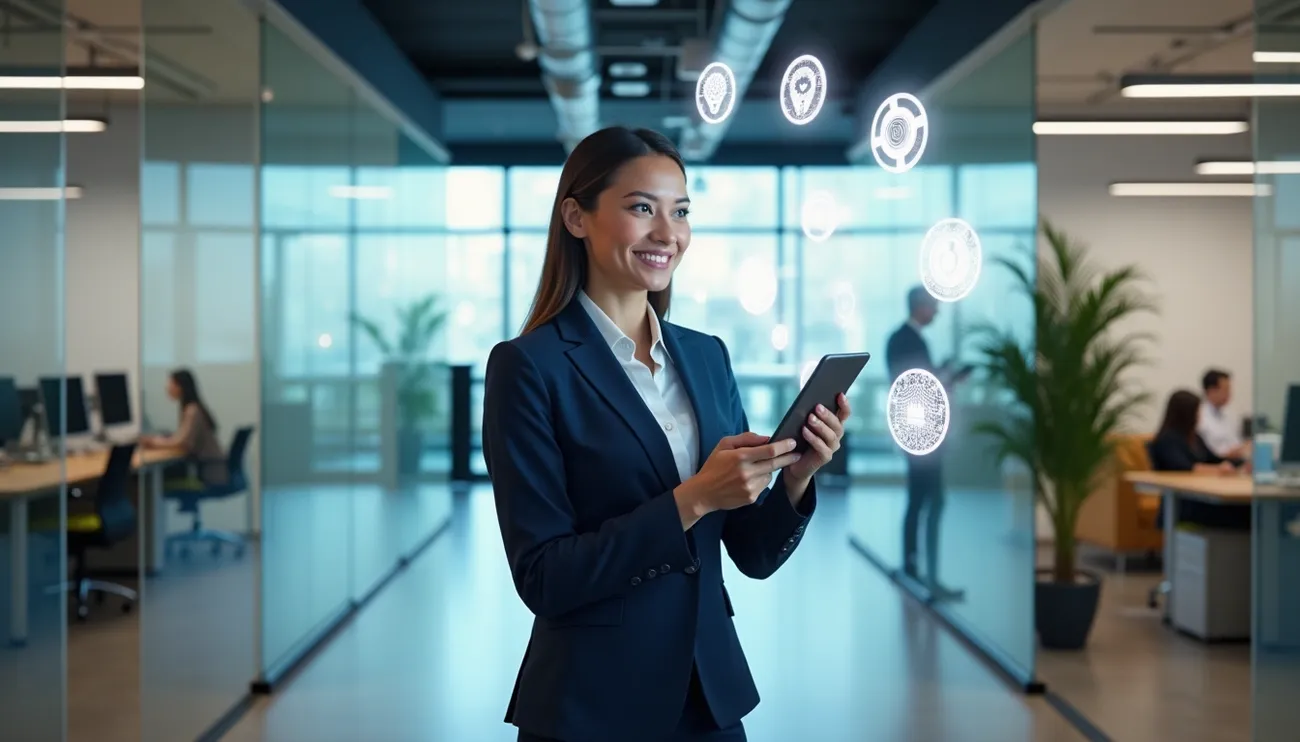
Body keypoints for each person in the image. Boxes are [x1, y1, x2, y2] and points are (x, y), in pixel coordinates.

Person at [481, 127, 850, 742]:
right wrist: (694, 497)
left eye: (680, 211)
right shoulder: (529, 367)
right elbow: (544, 576)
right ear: (576, 216)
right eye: (640, 208)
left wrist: (798, 472)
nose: (667, 233)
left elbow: (752, 555)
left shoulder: (707, 358)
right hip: (591, 706)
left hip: (709, 697)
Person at [884, 286, 968, 601]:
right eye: (933, 306)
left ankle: (916, 567)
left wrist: (941, 376)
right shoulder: (909, 341)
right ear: (919, 306)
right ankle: (924, 574)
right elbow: (916, 385)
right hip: (922, 436)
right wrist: (945, 378)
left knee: (920, 501)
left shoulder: (899, 340)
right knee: (930, 501)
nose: (936, 312)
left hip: (916, 433)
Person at [1148, 389, 1248, 530]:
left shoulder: (1195, 438)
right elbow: (1184, 468)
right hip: (1185, 504)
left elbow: (1214, 459)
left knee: (1248, 510)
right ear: (1186, 414)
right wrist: (1218, 469)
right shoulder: (1167, 439)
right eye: (1197, 411)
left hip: (1200, 500)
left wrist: (1241, 463)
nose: (1200, 415)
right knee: (1245, 513)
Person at [140, 369, 227, 487]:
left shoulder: (192, 411)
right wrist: (161, 439)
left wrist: (153, 442)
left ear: (180, 387)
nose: (167, 388)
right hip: (207, 468)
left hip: (207, 472)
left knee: (146, 480)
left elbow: (183, 442)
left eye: (171, 384)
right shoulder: (192, 408)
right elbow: (182, 438)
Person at [1197, 369, 1249, 462]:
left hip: (1235, 464)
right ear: (1211, 391)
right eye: (1226, 389)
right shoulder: (1200, 417)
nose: (1229, 394)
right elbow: (1204, 454)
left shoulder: (1230, 414)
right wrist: (1228, 454)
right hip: (1214, 466)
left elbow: (1235, 442)